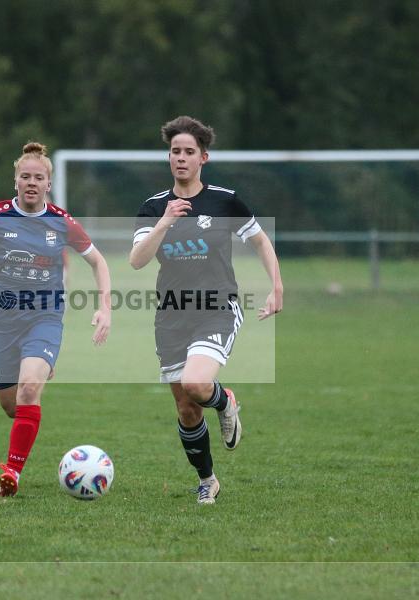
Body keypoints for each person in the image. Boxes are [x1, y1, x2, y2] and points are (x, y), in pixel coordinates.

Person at [0, 142, 111, 497]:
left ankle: (12, 473)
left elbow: (98, 261)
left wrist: (104, 308)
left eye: (39, 177)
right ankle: (38, 370)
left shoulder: (62, 222)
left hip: (45, 316)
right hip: (3, 321)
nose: (31, 182)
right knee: (12, 406)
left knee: (29, 390)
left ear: (48, 184)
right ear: (15, 181)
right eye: (25, 176)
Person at [129, 116, 283, 505]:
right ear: (169, 157)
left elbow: (261, 242)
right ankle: (208, 480)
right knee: (186, 408)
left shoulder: (224, 200)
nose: (181, 158)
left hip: (217, 308)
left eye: (189, 152)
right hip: (171, 315)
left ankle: (224, 400)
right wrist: (165, 221)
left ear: (203, 158)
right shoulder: (152, 208)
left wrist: (276, 286)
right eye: (175, 152)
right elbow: (136, 260)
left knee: (198, 387)